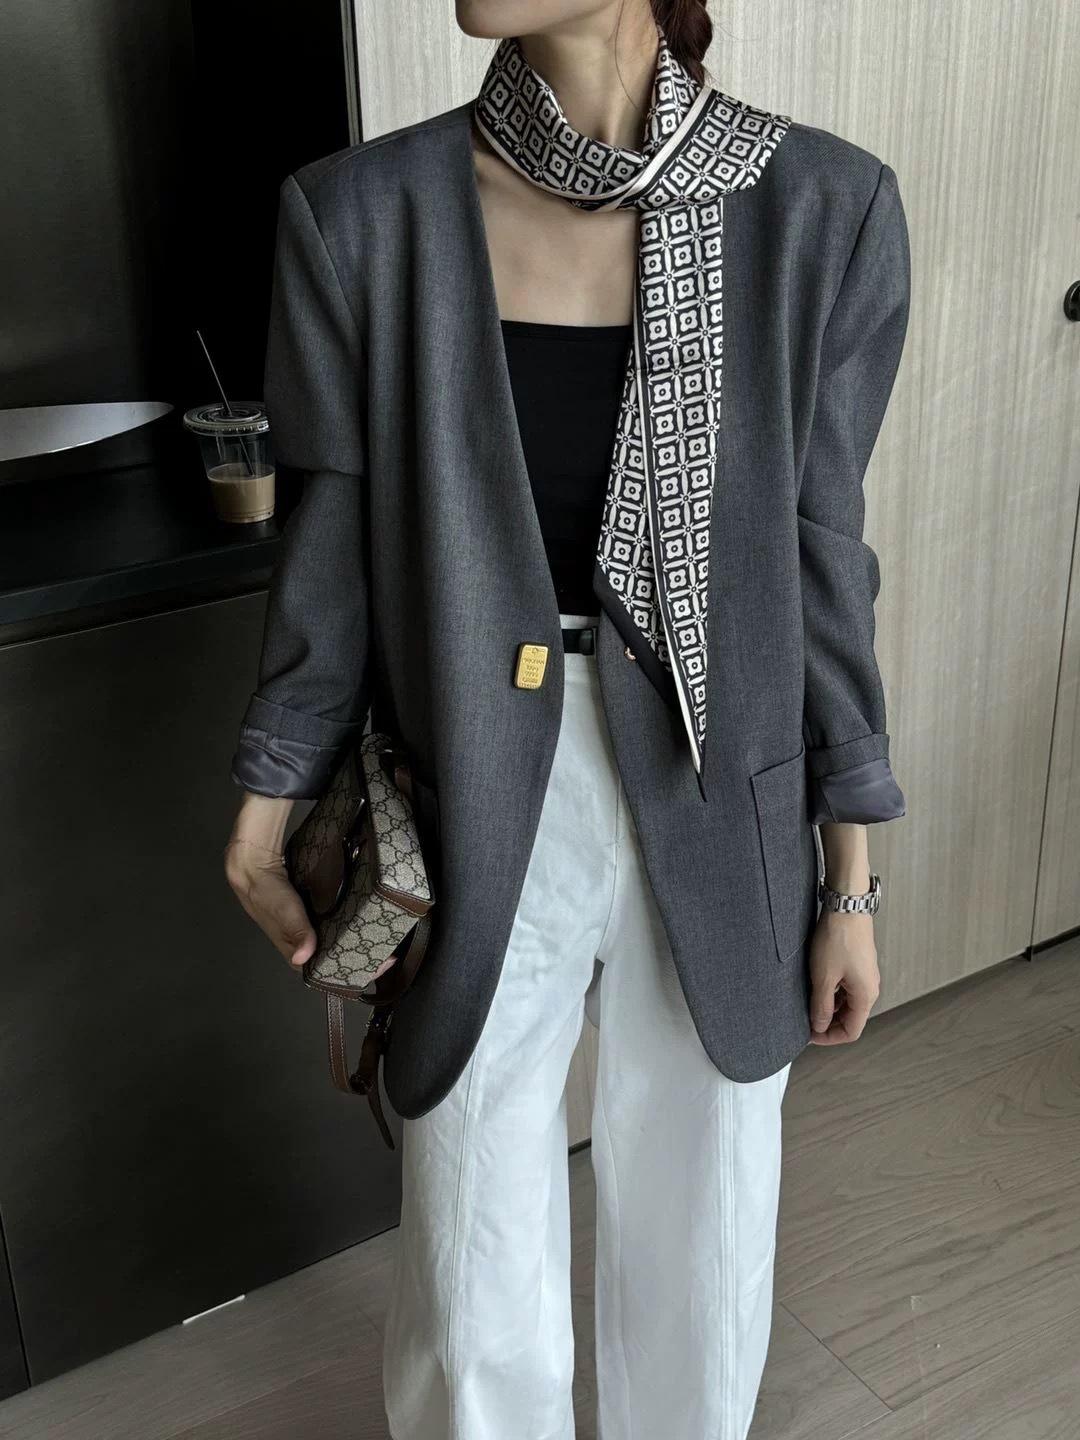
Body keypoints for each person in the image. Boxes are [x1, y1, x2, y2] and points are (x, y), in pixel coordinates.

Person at [224, 1, 911, 1436]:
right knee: (471, 1256)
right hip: (471, 779)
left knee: (706, 1239)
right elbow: (329, 553)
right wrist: (273, 783)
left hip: (723, 784)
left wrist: (852, 873)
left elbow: (821, 557)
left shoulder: (821, 210)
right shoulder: (362, 217)